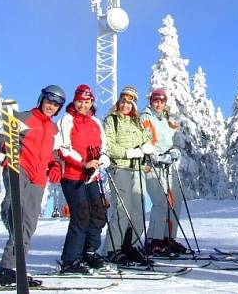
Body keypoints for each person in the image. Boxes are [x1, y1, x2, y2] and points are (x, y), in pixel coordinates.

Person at [0, 85, 66, 286]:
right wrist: (6, 145)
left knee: (28, 225)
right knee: (15, 212)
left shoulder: (54, 130)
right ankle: (8, 267)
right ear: (42, 99)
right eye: (49, 101)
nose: (52, 106)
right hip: (19, 168)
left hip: (38, 177)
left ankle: (12, 269)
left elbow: (56, 153)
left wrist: (57, 165)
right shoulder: (23, 118)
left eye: (56, 104)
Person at [56, 84, 108, 274]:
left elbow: (104, 146)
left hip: (92, 176)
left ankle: (89, 251)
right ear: (74, 101)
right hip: (73, 175)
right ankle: (70, 260)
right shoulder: (67, 119)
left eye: (86, 102)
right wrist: (83, 163)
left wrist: (100, 161)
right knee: (81, 215)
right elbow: (62, 148)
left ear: (91, 102)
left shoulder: (95, 122)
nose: (83, 106)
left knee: (98, 213)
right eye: (80, 102)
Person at [103, 86, 154, 265]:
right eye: (123, 101)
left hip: (137, 170)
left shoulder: (137, 122)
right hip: (120, 168)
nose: (125, 105)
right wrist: (129, 153)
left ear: (134, 104)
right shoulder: (112, 120)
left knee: (138, 213)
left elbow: (146, 140)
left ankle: (128, 246)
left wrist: (148, 150)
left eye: (129, 102)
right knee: (122, 211)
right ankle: (112, 248)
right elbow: (107, 146)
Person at [140, 88, 186, 257]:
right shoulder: (146, 116)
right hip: (152, 165)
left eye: (162, 101)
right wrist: (156, 156)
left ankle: (168, 238)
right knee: (160, 202)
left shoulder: (167, 118)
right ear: (151, 101)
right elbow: (145, 139)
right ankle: (154, 240)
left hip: (168, 165)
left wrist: (175, 151)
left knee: (175, 201)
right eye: (155, 101)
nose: (159, 104)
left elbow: (176, 140)